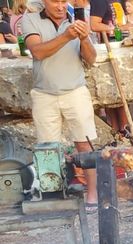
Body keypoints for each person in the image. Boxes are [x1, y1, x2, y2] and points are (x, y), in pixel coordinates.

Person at [22, 0, 98, 210]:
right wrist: (67, 36)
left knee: (85, 144)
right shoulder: (30, 19)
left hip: (75, 91)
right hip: (44, 94)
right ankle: (54, 196)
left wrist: (84, 39)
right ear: (44, 2)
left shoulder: (77, 20)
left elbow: (91, 60)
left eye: (64, 1)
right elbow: (37, 51)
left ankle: (93, 194)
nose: (60, 6)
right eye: (55, 1)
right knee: (48, 148)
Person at [89, 0, 132, 140]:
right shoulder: (100, 1)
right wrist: (116, 28)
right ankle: (117, 129)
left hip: (121, 46)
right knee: (112, 92)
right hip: (108, 47)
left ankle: (123, 129)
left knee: (121, 90)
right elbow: (94, 24)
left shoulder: (119, 1)